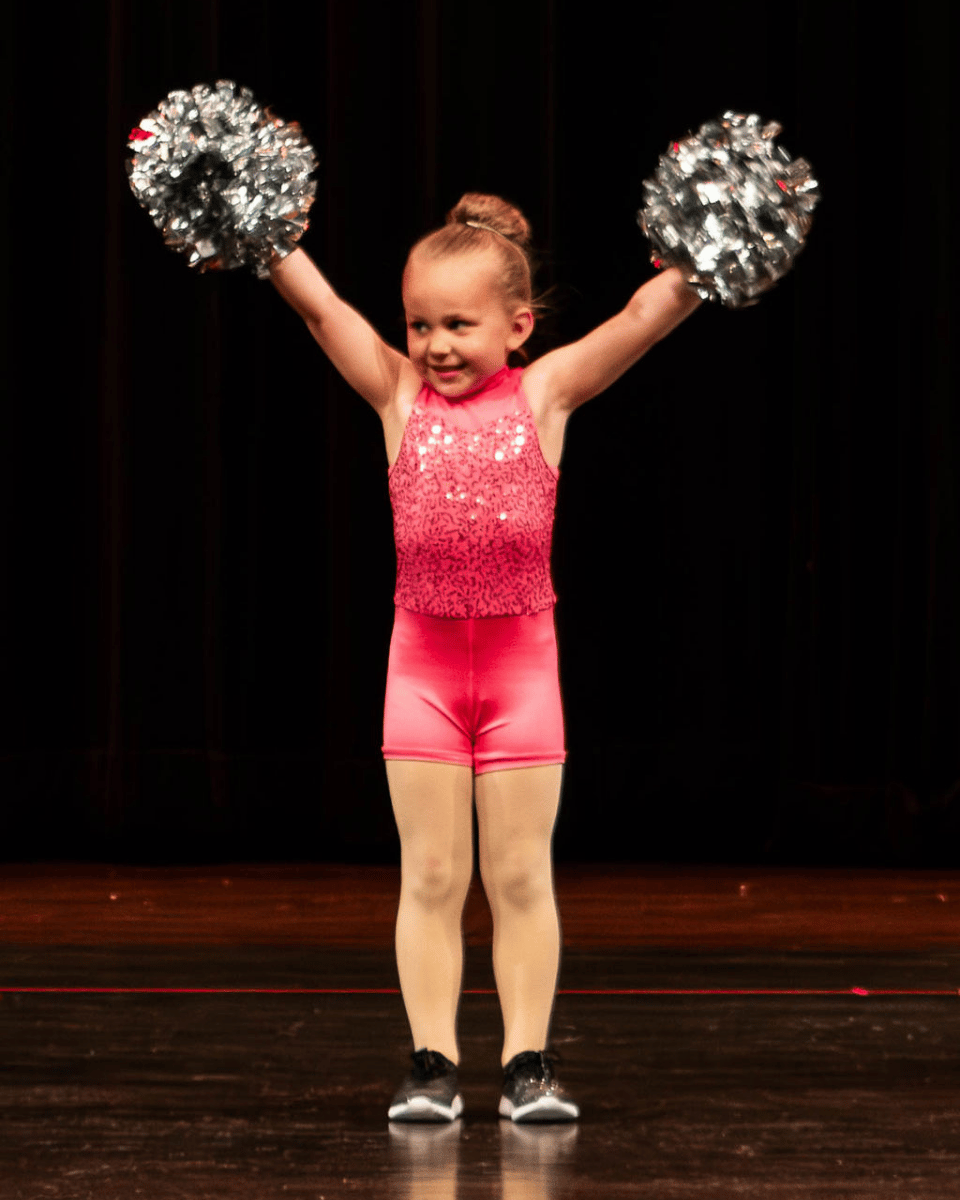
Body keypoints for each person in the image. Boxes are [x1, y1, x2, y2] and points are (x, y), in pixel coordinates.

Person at [269, 193, 701, 1122]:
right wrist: (263, 235)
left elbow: (639, 320)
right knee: (430, 877)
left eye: (458, 325)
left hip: (520, 677)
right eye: (419, 324)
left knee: (517, 877)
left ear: (518, 325)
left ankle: (526, 1066)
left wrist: (704, 266)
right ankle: (431, 1064)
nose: (435, 346)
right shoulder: (397, 397)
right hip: (421, 676)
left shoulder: (543, 395)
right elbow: (321, 309)